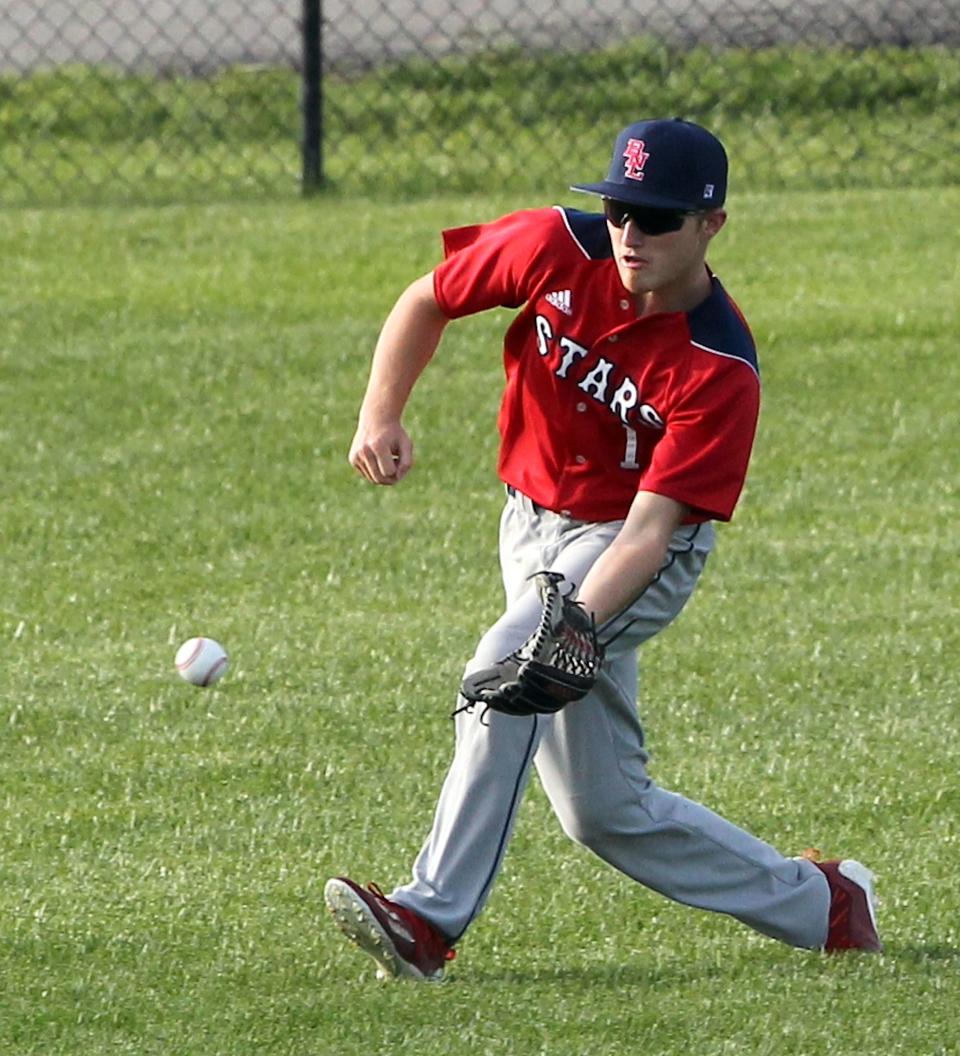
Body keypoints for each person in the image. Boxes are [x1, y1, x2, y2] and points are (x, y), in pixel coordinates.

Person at [325, 118, 881, 981]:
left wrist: (574, 623)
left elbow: (654, 531)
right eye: (620, 209)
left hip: (634, 551)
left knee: (507, 666)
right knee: (603, 809)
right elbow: (429, 297)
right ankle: (826, 908)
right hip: (531, 524)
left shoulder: (717, 367)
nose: (631, 234)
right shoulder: (551, 244)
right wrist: (380, 411)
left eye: (657, 218)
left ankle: (426, 920)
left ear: (711, 226)